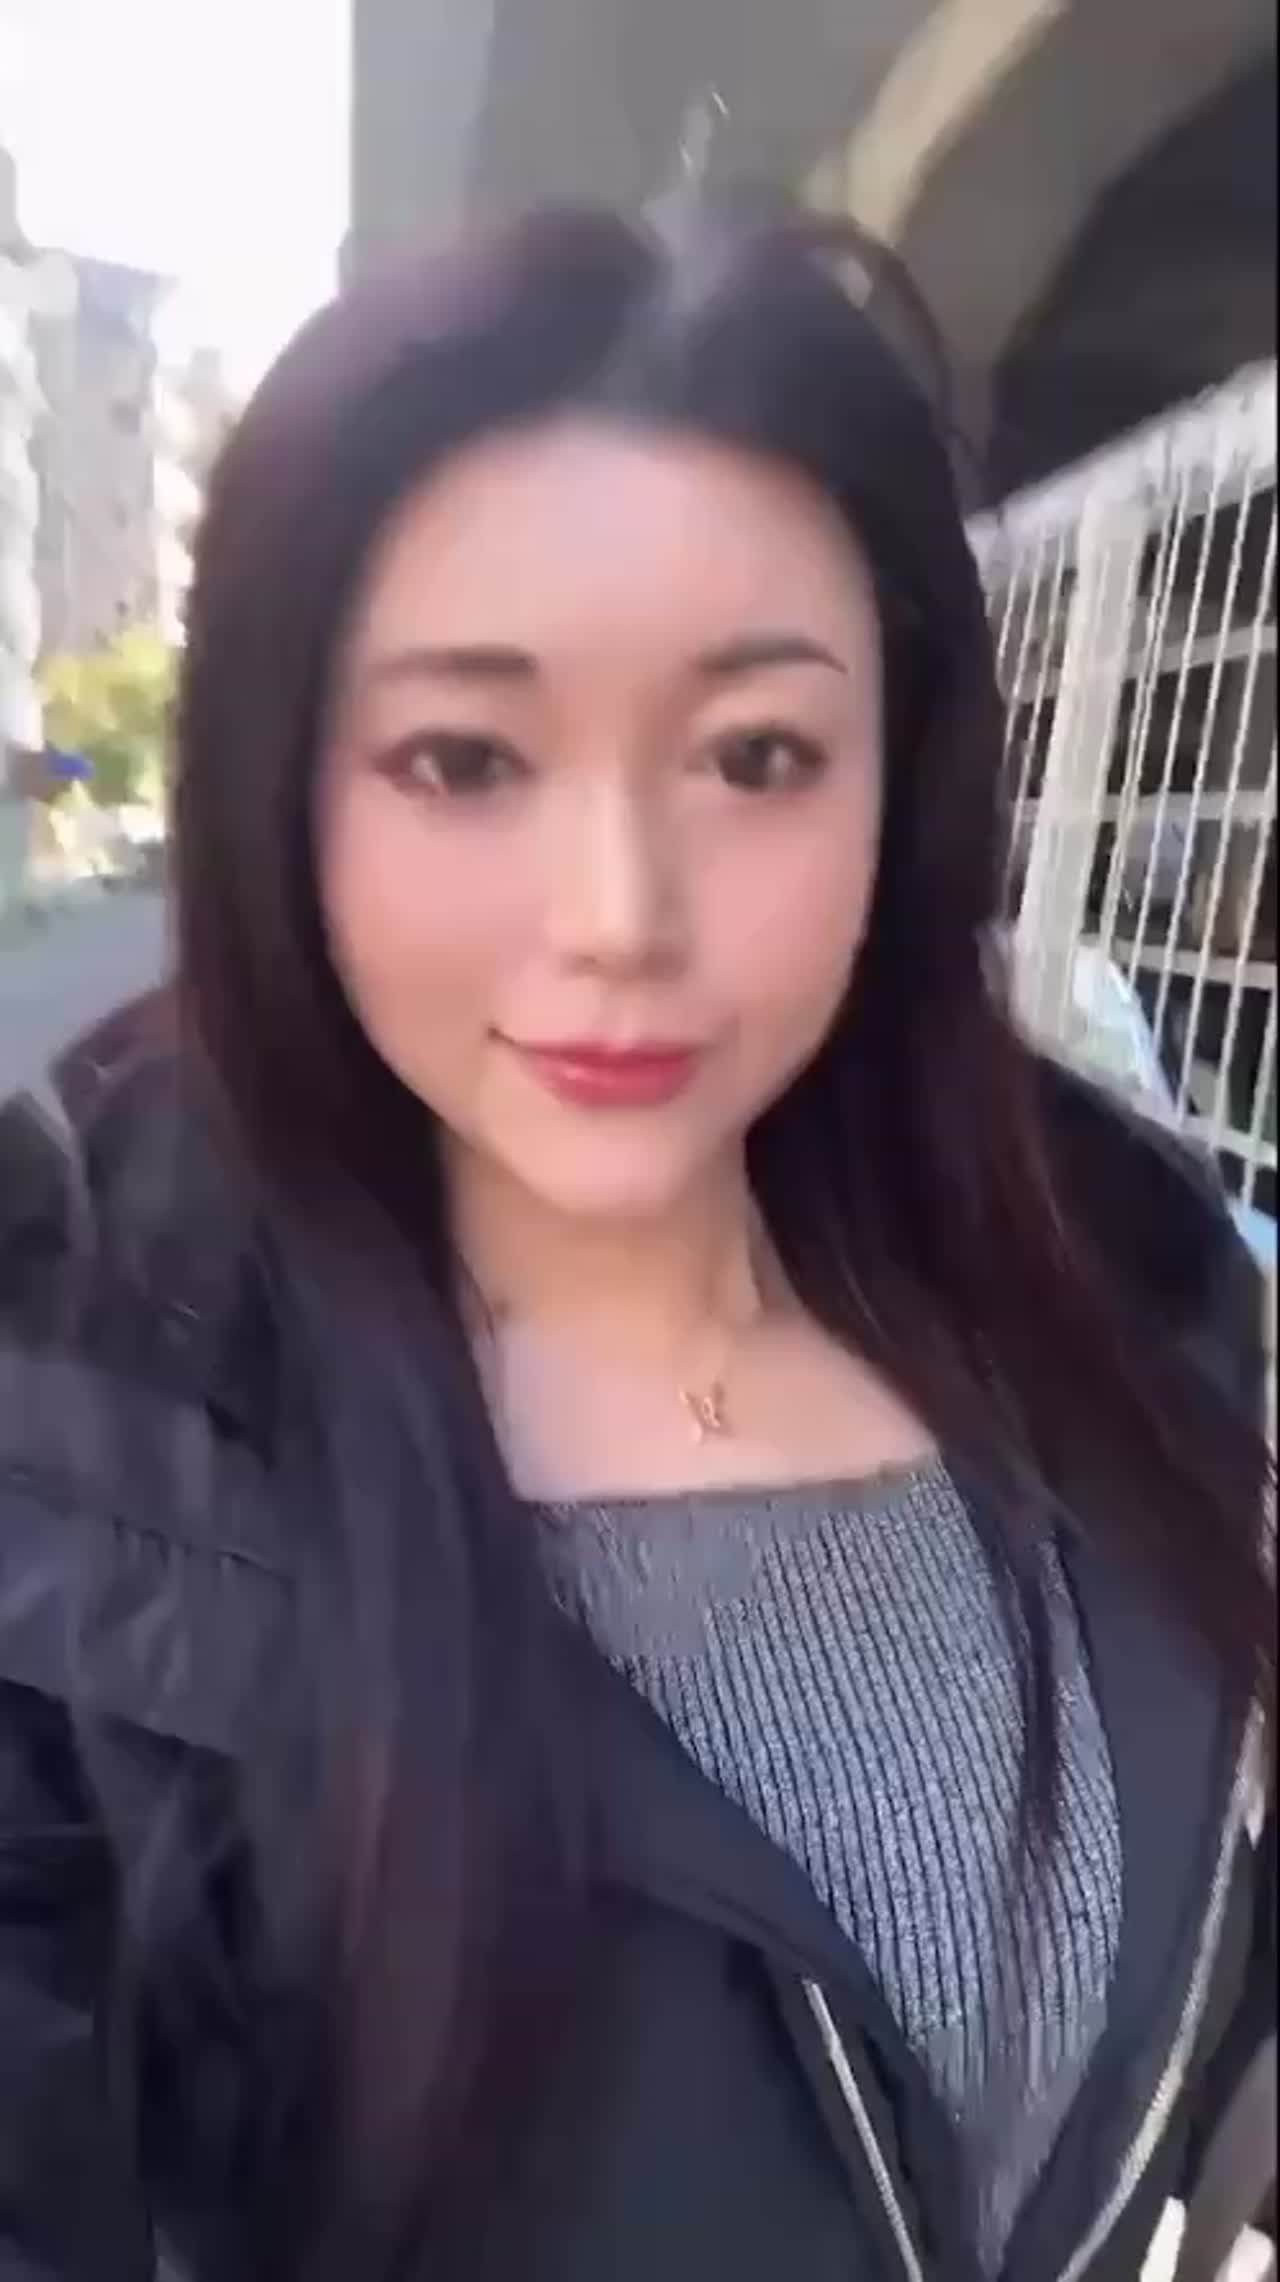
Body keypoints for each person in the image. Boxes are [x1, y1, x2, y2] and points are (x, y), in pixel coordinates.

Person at [0, 202, 1273, 2282]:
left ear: (900, 781)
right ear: (284, 791)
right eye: (464, 759)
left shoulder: (1121, 1289)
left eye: (755, 756)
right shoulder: (74, 1481)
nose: (617, 915)